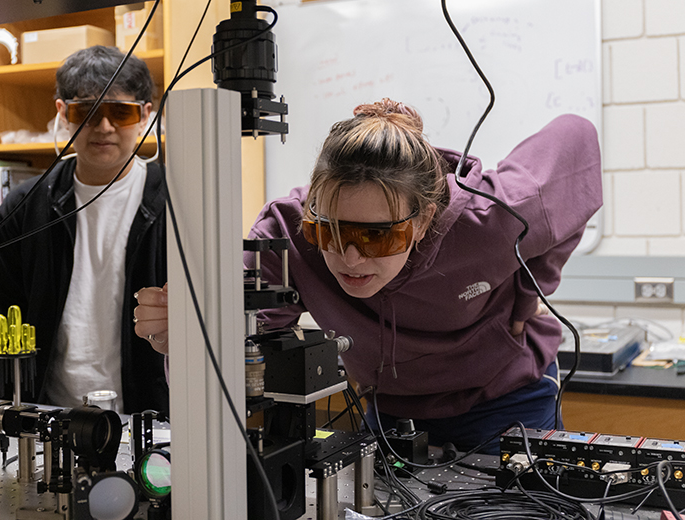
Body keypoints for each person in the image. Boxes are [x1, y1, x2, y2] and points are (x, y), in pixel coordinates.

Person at [134, 98, 602, 452]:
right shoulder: (289, 233)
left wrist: (528, 291)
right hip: (391, 407)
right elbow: (239, 341)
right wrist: (187, 340)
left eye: (377, 237)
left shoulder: (490, 218)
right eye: (329, 231)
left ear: (421, 221)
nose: (350, 259)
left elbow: (575, 135)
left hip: (504, 401)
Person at [0, 45, 168, 414]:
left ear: (146, 115)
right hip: (50, 420)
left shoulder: (178, 202)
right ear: (63, 113)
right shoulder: (23, 207)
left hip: (149, 421)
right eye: (87, 111)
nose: (104, 126)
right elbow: (1, 329)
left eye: (120, 111)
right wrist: (7, 421)